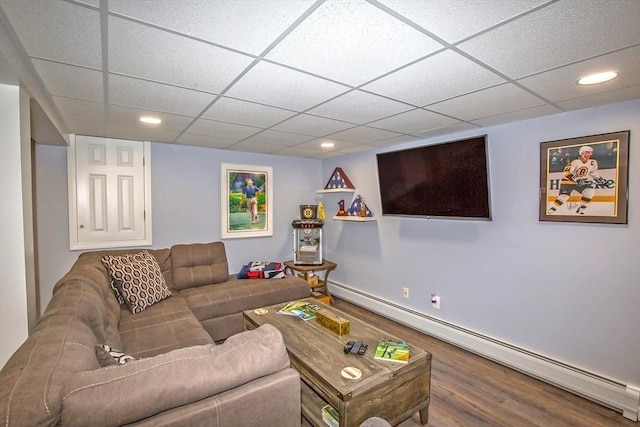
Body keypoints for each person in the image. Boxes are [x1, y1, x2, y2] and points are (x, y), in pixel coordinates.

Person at [548, 145, 605, 215]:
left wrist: (599, 179)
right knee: (564, 197)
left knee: (589, 192)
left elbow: (593, 172)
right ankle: (552, 209)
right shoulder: (574, 161)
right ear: (582, 153)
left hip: (581, 182)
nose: (590, 154)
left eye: (591, 152)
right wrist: (577, 180)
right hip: (568, 182)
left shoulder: (592, 162)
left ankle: (580, 210)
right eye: (588, 152)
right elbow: (566, 173)